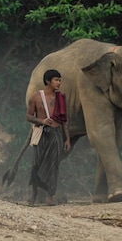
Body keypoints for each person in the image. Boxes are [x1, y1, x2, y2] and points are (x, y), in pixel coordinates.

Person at [26, 69, 71, 205]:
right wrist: (42, 121)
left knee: (53, 164)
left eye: (60, 80)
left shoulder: (60, 98)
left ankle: (50, 197)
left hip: (56, 133)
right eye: (56, 80)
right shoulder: (35, 97)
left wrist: (67, 138)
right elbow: (28, 116)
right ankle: (34, 193)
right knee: (36, 163)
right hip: (41, 133)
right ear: (48, 81)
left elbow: (64, 120)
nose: (59, 83)